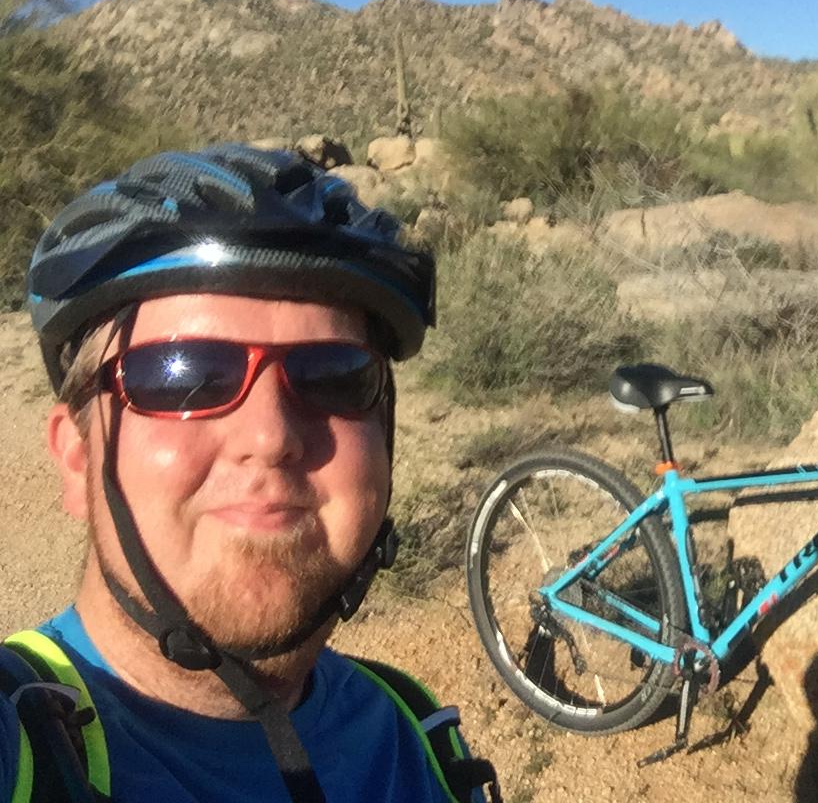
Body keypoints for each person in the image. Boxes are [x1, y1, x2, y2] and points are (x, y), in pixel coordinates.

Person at [0, 145, 499, 802]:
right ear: (76, 454)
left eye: (334, 376)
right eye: (183, 374)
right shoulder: (24, 735)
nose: (271, 438)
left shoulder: (408, 726)